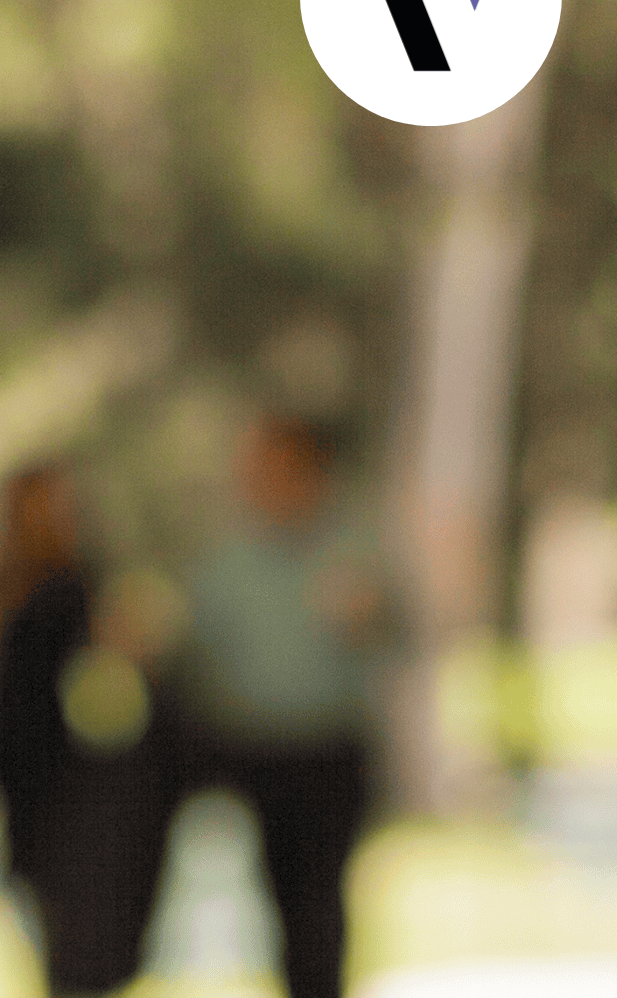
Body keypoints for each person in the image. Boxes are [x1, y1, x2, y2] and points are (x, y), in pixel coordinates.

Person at [172, 412, 387, 998]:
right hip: (250, 747)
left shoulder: (355, 543)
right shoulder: (228, 555)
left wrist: (370, 618)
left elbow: (401, 631)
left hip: (326, 747)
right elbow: (192, 645)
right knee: (269, 895)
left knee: (318, 904)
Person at [0, 465, 177, 997]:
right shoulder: (18, 589)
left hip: (88, 793)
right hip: (40, 787)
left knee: (86, 938)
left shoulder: (84, 586)